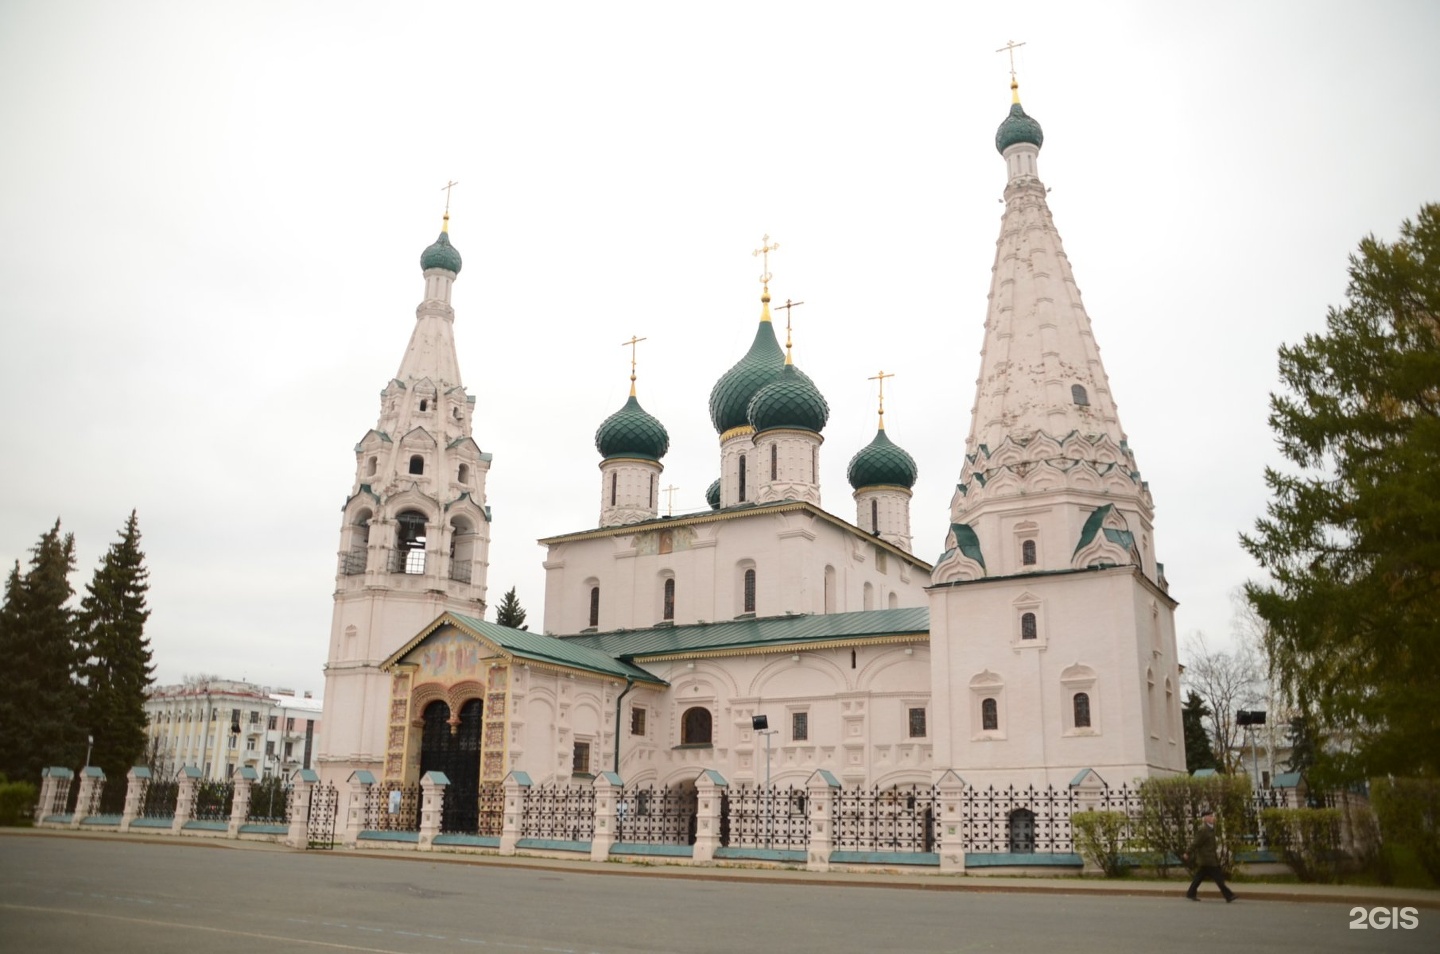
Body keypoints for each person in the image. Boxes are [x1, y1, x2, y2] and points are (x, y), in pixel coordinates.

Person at [1183, 809, 1236, 902]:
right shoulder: (1203, 830)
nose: (1213, 818)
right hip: (1207, 859)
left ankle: (1190, 893)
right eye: (1211, 816)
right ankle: (1229, 895)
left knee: (1199, 877)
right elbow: (1196, 843)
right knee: (1218, 878)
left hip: (1209, 859)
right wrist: (1187, 852)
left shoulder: (1211, 829)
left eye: (1213, 816)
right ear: (1206, 818)